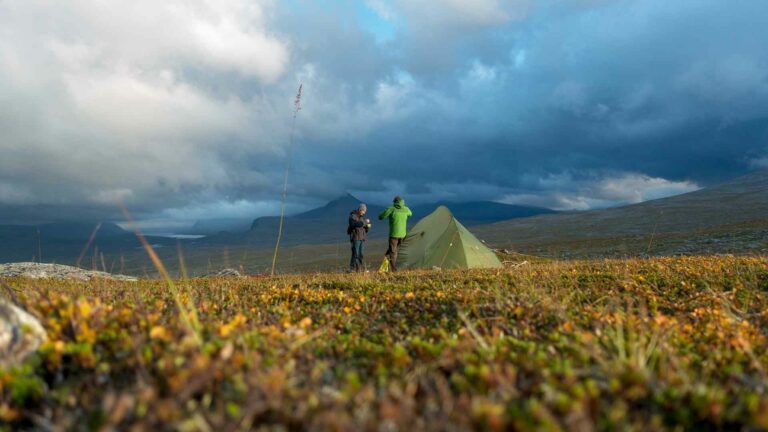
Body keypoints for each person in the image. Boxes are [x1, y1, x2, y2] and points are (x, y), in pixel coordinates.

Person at [378, 195, 412, 272]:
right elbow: (410, 214)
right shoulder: (406, 209)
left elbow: (381, 217)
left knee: (393, 252)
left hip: (394, 235)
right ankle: (383, 269)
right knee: (391, 251)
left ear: (395, 202)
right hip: (403, 235)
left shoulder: (391, 209)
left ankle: (393, 270)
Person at [347, 203, 371, 272]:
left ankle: (359, 269)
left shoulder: (361, 217)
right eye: (364, 211)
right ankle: (352, 269)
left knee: (360, 254)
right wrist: (364, 223)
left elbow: (363, 229)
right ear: (360, 209)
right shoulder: (353, 216)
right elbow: (353, 224)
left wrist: (367, 227)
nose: (364, 213)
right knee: (355, 253)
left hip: (361, 238)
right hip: (355, 237)